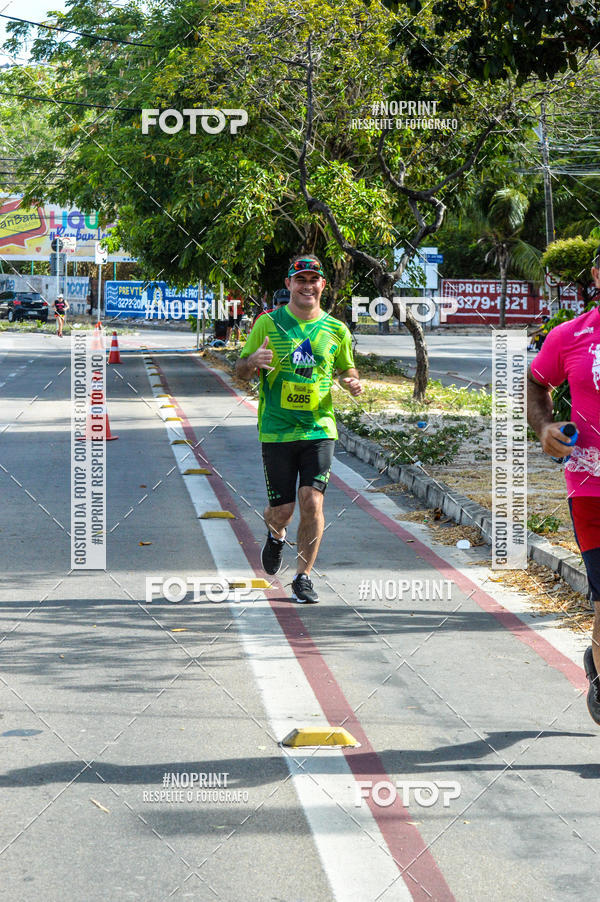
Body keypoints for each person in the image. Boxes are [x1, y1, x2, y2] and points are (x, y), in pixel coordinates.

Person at [235, 254, 362, 604]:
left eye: (314, 279)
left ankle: (303, 576)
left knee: (312, 501)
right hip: (277, 429)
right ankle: (275, 535)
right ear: (289, 284)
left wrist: (351, 382)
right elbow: (240, 369)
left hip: (319, 429)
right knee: (283, 510)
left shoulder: (336, 330)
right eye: (300, 279)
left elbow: (346, 370)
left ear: (323, 285)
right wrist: (252, 363)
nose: (308, 285)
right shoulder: (268, 323)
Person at [527, 245, 600, 723]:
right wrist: (543, 427)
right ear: (597, 273)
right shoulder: (571, 335)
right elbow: (537, 382)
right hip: (592, 483)